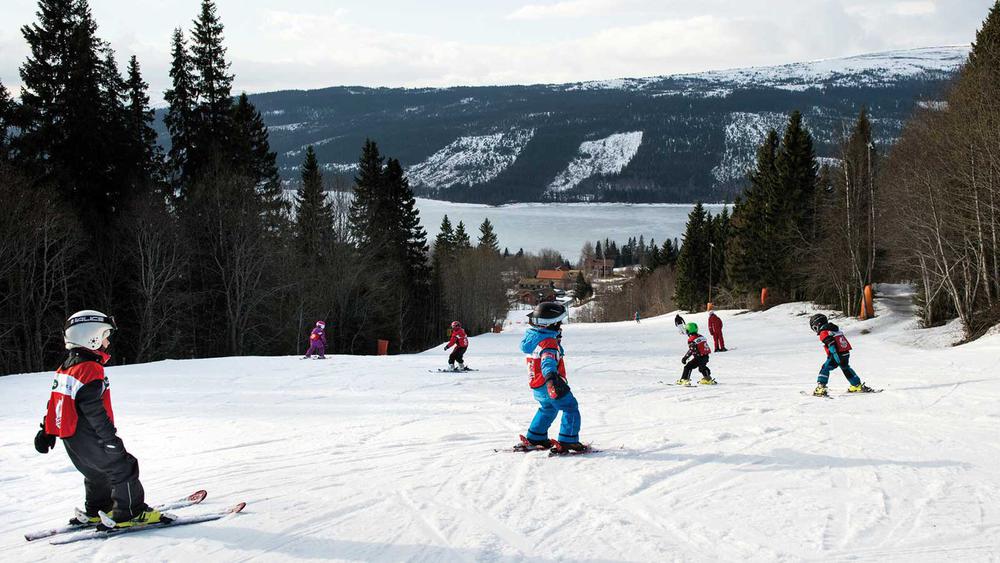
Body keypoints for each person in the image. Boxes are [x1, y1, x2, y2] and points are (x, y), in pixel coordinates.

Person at [33, 310, 164, 529]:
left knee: (95, 472)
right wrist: (109, 439)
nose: (107, 341)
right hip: (90, 434)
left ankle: (97, 509)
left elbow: (55, 402)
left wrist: (46, 431)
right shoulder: (90, 368)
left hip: (72, 438)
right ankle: (130, 513)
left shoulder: (67, 366)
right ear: (90, 336)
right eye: (105, 335)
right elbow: (94, 410)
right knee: (123, 467)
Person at [519, 302, 586, 453]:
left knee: (547, 409)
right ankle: (568, 440)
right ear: (552, 324)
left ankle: (536, 436)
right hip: (549, 383)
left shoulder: (533, 338)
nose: (561, 326)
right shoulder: (548, 342)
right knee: (570, 407)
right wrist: (552, 380)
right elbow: (547, 361)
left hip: (537, 385)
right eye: (559, 322)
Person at [809, 314, 876, 396]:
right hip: (845, 353)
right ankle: (856, 385)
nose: (815, 330)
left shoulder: (824, 332)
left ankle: (821, 387)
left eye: (815, 328)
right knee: (845, 368)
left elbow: (831, 343)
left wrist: (835, 355)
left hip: (836, 354)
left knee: (825, 368)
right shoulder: (834, 329)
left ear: (818, 325)